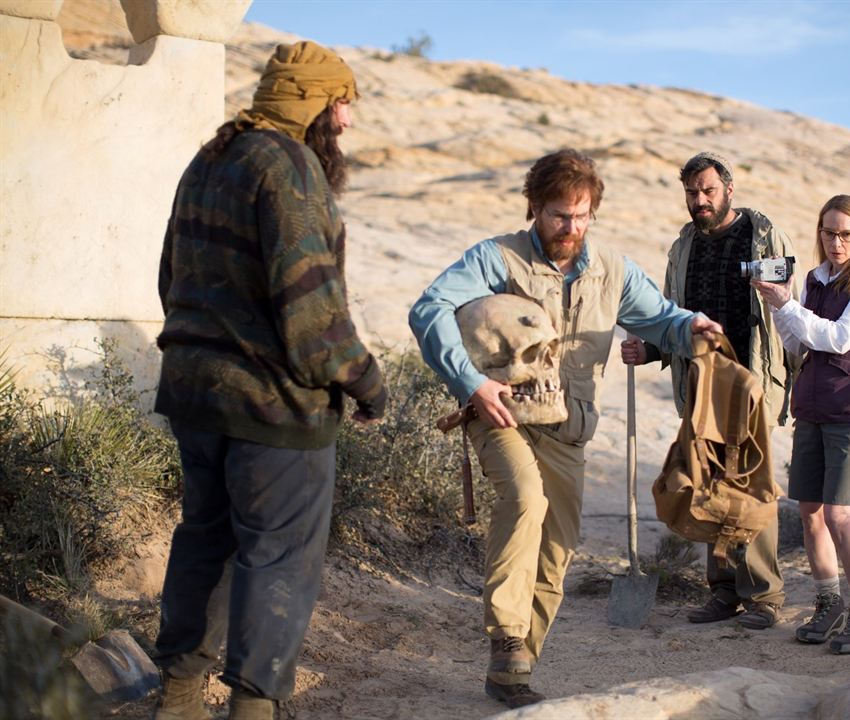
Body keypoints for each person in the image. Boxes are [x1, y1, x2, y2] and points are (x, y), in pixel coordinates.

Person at [409, 149, 724, 709]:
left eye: (581, 216)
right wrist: (470, 383)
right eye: (559, 215)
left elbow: (662, 319)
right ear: (535, 208)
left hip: (569, 427)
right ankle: (506, 635)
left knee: (557, 546)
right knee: (526, 499)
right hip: (501, 411)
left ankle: (514, 668)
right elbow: (429, 307)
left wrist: (692, 325)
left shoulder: (613, 270)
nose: (570, 228)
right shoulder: (495, 257)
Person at [153, 41, 387, 720]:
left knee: (204, 538)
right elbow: (313, 316)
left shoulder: (210, 157)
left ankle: (179, 698)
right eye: (341, 103)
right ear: (313, 103)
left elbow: (170, 276)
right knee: (278, 558)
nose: (346, 121)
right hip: (272, 409)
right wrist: (366, 382)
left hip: (194, 396)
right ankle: (253, 709)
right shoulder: (290, 168)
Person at [621, 152, 798, 630]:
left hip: (752, 381)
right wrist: (652, 350)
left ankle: (765, 595)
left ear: (728, 190)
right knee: (707, 483)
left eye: (708, 191)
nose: (699, 201)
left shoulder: (762, 235)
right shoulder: (683, 245)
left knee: (753, 485)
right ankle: (723, 592)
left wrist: (796, 379)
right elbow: (671, 317)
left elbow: (787, 312)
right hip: (700, 382)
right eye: (692, 193)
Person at [752, 194, 850, 654]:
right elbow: (797, 346)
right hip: (813, 405)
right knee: (810, 512)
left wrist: (790, 306)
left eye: (846, 233)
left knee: (840, 515)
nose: (836, 242)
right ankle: (829, 605)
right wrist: (778, 305)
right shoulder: (815, 279)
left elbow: (838, 337)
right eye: (829, 233)